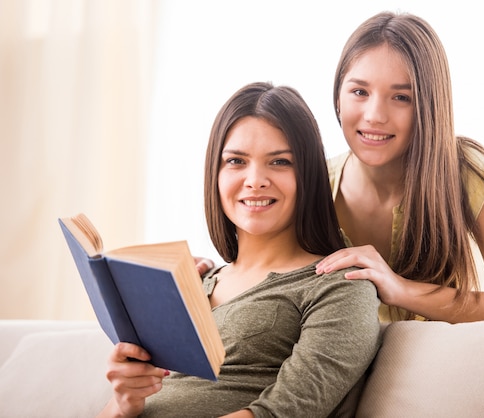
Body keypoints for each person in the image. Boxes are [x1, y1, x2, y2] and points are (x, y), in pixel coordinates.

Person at [197, 11, 484, 324]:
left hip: (439, 369)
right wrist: (207, 281)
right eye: (359, 92)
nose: (375, 116)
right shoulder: (317, 180)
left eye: (401, 97)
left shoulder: (461, 173)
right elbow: (266, 265)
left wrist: (401, 290)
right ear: (337, 98)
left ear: (428, 107)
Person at [98, 82, 381, 418]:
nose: (255, 180)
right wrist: (123, 402)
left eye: (279, 162)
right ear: (215, 175)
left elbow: (282, 413)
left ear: (307, 175)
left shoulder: (339, 285)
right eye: (236, 161)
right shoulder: (196, 282)